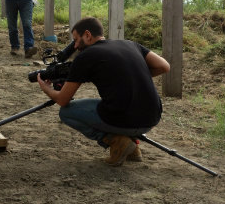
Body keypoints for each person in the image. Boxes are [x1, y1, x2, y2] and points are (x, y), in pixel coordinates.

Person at [37, 17, 170, 166]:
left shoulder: (86, 56)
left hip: (126, 121)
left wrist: (46, 89)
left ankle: (118, 142)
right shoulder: (130, 44)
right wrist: (129, 76)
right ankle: (131, 147)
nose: (75, 46)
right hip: (152, 119)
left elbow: (63, 100)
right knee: (117, 104)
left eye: (75, 40)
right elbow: (164, 66)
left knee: (66, 113)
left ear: (87, 35)